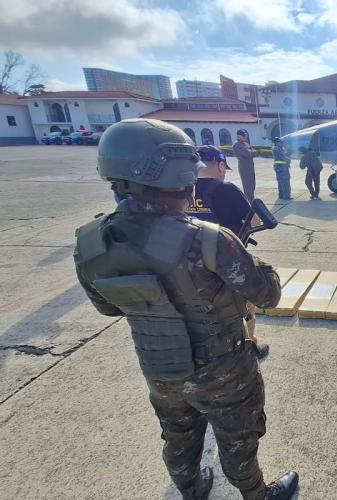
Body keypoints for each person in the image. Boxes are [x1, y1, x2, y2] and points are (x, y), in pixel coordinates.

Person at [73, 119, 299, 500]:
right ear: (181, 175)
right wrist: (256, 265)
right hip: (223, 370)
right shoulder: (209, 240)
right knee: (237, 438)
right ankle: (257, 495)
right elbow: (268, 294)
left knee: (178, 435)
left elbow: (108, 309)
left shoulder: (92, 242)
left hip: (160, 367)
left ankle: (192, 490)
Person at [191, 144, 270, 360]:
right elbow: (254, 221)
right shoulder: (226, 190)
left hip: (187, 262)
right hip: (226, 259)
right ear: (220, 166)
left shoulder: (181, 189)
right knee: (245, 306)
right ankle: (249, 347)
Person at [232, 129, 257, 202]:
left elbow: (254, 152)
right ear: (239, 136)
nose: (246, 137)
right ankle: (249, 204)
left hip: (250, 167)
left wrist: (251, 152)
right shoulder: (237, 144)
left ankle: (251, 201)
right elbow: (247, 154)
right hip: (245, 168)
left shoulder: (245, 144)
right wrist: (251, 152)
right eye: (244, 136)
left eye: (246, 136)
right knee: (248, 187)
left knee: (252, 186)